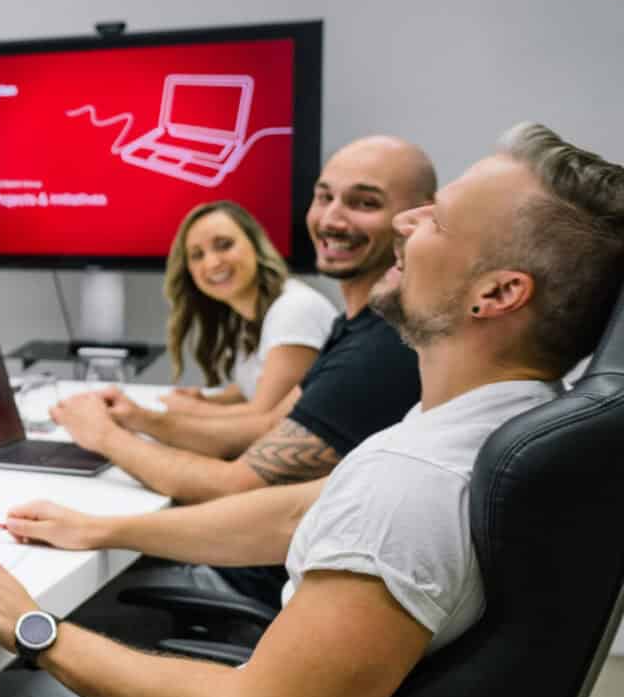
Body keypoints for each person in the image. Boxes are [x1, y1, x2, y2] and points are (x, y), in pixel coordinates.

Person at [0, 122, 624, 697]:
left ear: (498, 293)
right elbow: (289, 513)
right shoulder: (489, 423)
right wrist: (108, 527)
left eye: (433, 217)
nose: (409, 223)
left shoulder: (411, 479)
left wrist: (36, 626)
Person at [48, 136, 433, 507]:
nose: (332, 218)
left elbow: (237, 483)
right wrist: (138, 418)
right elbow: (268, 428)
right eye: (324, 197)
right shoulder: (353, 328)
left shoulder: (379, 346)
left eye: (364, 203)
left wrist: (105, 436)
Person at [157, 200, 337, 414]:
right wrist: (209, 401)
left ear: (256, 244)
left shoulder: (295, 309)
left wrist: (188, 409)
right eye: (197, 255)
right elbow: (254, 389)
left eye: (224, 245)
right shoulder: (246, 318)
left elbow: (264, 416)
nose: (212, 263)